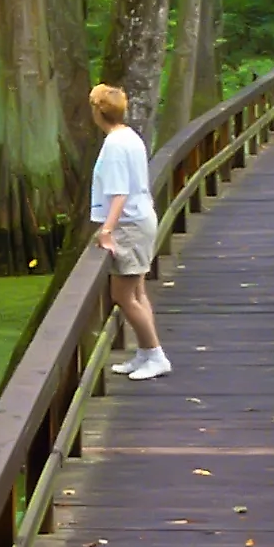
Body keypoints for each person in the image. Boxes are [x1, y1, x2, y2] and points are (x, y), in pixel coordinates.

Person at [88, 84, 170, 380]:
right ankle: (145, 354)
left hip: (130, 225)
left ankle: (156, 354)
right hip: (140, 220)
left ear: (98, 112)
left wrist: (107, 230)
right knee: (136, 291)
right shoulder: (128, 136)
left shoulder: (114, 145)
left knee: (124, 295)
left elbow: (119, 193)